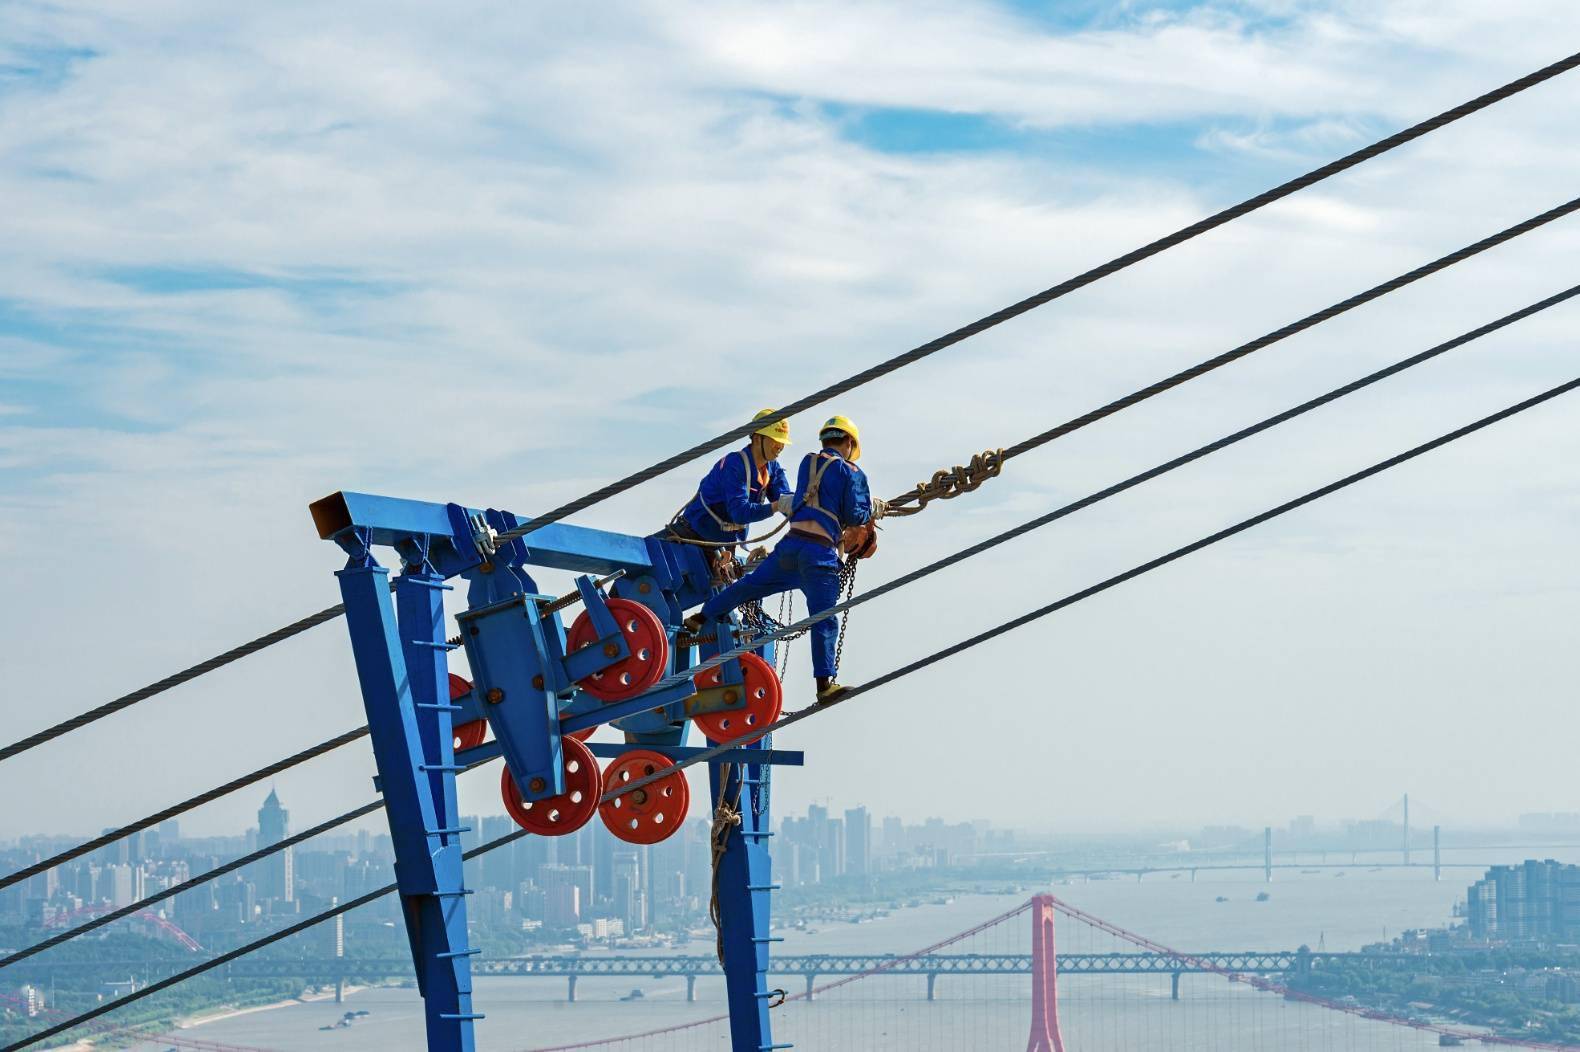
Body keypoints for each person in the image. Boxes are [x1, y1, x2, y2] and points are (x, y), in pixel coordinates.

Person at [694, 414, 873, 702]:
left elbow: (801, 499)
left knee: (748, 587)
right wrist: (870, 509)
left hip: (790, 548)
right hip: (820, 556)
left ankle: (701, 616)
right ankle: (825, 686)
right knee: (824, 618)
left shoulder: (807, 462)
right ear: (850, 443)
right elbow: (854, 514)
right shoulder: (852, 472)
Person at [666, 409, 793, 547]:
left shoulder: (773, 469)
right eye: (775, 441)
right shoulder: (734, 465)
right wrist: (777, 506)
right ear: (757, 439)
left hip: (721, 545)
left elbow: (787, 501)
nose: (780, 447)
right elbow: (740, 513)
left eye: (782, 443)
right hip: (691, 536)